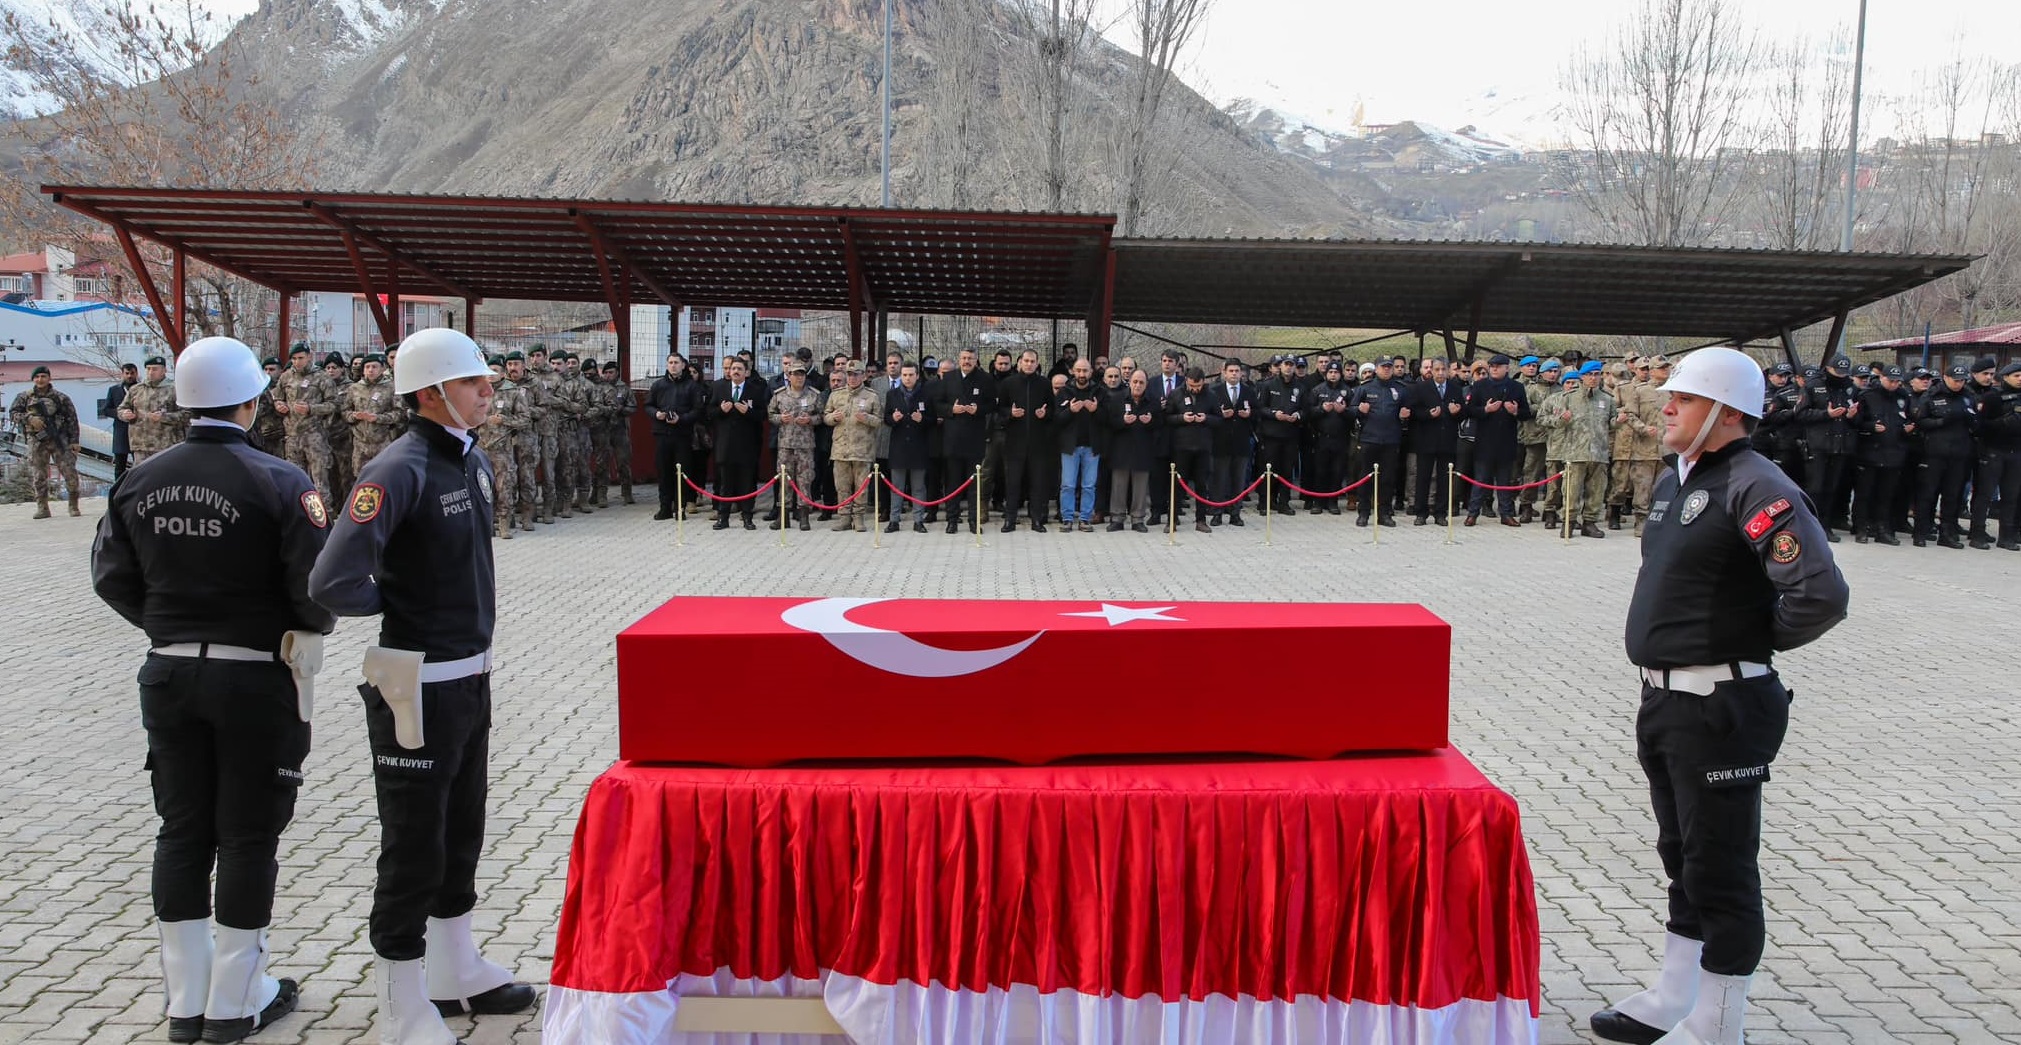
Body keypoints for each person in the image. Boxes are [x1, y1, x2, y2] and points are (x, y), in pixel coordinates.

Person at [1593, 347, 1848, 1045]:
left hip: (1720, 705)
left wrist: (1749, 641)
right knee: (1681, 851)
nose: (1665, 405)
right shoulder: (1682, 478)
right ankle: (1675, 992)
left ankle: (1716, 1024)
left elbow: (1819, 594)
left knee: (1721, 864)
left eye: (1682, 397)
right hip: (1667, 703)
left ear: (1726, 412)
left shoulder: (1757, 484)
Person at [91, 336, 333, 1043]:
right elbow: (314, 591)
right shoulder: (281, 479)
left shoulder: (139, 477)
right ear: (252, 400)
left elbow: (111, 575)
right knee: (249, 832)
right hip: (255, 675)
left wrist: (167, 625)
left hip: (167, 672)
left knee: (182, 829)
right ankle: (235, 998)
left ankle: (185, 999)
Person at [307, 327, 536, 1044]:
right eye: (473, 383)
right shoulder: (397, 468)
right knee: (413, 844)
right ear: (432, 392)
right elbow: (332, 579)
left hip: (469, 677)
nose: (487, 391)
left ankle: (454, 966)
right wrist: (400, 603)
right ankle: (402, 1000)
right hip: (417, 687)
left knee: (459, 831)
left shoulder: (468, 460)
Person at [1541, 363, 1617, 538]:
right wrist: (1561, 419)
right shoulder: (1568, 397)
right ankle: (1568, 522)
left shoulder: (1607, 399)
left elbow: (1611, 423)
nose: (1593, 378)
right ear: (1582, 377)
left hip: (1599, 452)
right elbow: (1545, 419)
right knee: (1571, 491)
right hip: (1575, 452)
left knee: (1596, 491)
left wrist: (1618, 421)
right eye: (1589, 374)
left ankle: (1590, 523)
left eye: (1597, 374)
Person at [1910, 364, 1976, 548]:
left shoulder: (1967, 395)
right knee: (1927, 494)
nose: (1959, 383)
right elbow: (1921, 421)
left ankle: (1947, 533)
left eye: (1962, 380)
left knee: (1952, 495)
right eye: (1956, 380)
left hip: (1959, 452)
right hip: (1935, 452)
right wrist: (1941, 421)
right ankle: (1921, 532)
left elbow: (1975, 419)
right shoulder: (1933, 395)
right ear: (1946, 378)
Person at [1464, 354, 1531, 526]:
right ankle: (1473, 513)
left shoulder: (1516, 387)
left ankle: (1506, 514)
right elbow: (1469, 410)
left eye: (1498, 366)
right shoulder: (1479, 386)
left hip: (1506, 441)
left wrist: (1515, 411)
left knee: (1504, 481)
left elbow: (1526, 413)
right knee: (1480, 480)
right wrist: (1485, 410)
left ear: (1507, 368)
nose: (1494, 368)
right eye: (1492, 365)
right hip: (1485, 441)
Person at [10, 364, 82, 518]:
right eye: (37, 377)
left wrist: (74, 441)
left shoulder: (61, 398)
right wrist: (29, 419)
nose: (40, 379)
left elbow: (72, 420)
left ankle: (73, 505)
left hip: (59, 440)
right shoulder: (25, 397)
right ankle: (42, 507)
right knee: (39, 475)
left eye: (43, 376)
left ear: (49, 378)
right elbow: (14, 413)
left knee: (69, 472)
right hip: (36, 441)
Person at [935, 347, 994, 534]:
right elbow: (937, 403)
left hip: (975, 440)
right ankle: (952, 520)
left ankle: (974, 521)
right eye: (964, 358)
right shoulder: (949, 378)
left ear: (976, 360)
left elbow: (992, 404)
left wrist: (978, 410)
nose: (967, 361)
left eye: (970, 358)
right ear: (959, 359)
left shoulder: (985, 379)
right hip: (952, 440)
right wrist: (951, 410)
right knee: (952, 483)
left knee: (974, 484)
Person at [706, 355, 768, 530]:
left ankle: (747, 517)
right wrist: (720, 410)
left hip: (747, 445)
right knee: (725, 483)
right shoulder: (718, 387)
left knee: (747, 483)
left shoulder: (755, 389)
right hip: (725, 445)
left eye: (739, 369)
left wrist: (748, 412)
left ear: (746, 372)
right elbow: (708, 412)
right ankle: (723, 518)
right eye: (733, 369)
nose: (735, 372)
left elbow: (763, 415)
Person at [1852, 365, 1911, 545]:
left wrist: (1907, 428)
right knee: (1864, 493)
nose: (1894, 384)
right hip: (1870, 452)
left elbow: (1907, 417)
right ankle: (1861, 527)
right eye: (1890, 380)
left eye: (1897, 381)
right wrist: (1870, 427)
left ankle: (1883, 529)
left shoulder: (1903, 397)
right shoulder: (1867, 396)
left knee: (1886, 495)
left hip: (1893, 452)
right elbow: (1856, 422)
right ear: (1882, 378)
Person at [995, 349, 1052, 532]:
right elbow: (999, 410)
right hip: (1014, 442)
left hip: (1038, 443)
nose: (1029, 364)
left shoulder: (1044, 384)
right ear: (1019, 363)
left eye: (1032, 361)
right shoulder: (1008, 383)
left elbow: (1052, 410)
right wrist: (1010, 414)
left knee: (1037, 483)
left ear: (1037, 363)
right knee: (1013, 483)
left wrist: (1045, 414)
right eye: (1026, 361)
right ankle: (1010, 520)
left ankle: (1036, 520)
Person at [271, 346, 334, 505]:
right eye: (294, 359)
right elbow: (277, 398)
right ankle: (298, 514)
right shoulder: (286, 377)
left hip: (314, 435)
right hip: (292, 435)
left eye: (300, 358)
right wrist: (280, 405)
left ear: (308, 357)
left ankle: (325, 516)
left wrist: (311, 409)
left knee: (320, 480)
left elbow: (334, 404)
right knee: (294, 479)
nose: (297, 362)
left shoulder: (322, 377)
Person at [475, 355, 530, 539]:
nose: (491, 375)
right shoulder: (478, 392)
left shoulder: (513, 392)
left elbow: (525, 420)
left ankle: (504, 522)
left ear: (502, 373)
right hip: (481, 447)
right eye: (488, 371)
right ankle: (487, 523)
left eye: (495, 371)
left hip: (502, 450)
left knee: (504, 487)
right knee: (483, 486)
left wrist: (504, 420)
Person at [646, 352, 705, 521]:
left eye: (676, 362)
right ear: (667, 365)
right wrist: (656, 414)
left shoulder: (692, 386)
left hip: (682, 435)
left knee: (682, 472)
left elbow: (698, 410)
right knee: (663, 472)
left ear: (683, 365)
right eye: (670, 362)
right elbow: (648, 405)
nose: (673, 365)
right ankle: (664, 507)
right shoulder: (658, 385)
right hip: (662, 434)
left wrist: (682, 419)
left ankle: (680, 508)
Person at [825, 360, 883, 532]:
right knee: (842, 486)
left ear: (863, 376)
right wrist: (832, 418)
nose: (852, 378)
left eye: (856, 374)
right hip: (841, 449)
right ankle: (844, 517)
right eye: (849, 375)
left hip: (862, 450)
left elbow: (879, 421)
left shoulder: (871, 396)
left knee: (861, 487)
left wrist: (867, 419)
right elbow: (826, 416)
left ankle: (858, 518)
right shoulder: (836, 395)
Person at [767, 359, 825, 531]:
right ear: (789, 375)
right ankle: (782, 516)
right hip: (785, 445)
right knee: (784, 480)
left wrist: (810, 420)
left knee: (805, 480)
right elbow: (770, 414)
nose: (800, 377)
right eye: (796, 374)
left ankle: (803, 515)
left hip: (805, 446)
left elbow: (822, 416)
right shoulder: (779, 394)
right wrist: (780, 419)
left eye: (802, 374)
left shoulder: (814, 394)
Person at [1347, 357, 1406, 526]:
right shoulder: (1365, 387)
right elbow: (1350, 411)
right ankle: (1363, 512)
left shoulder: (1400, 389)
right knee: (1366, 477)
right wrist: (1358, 409)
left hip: (1390, 440)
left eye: (1389, 367)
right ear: (1376, 369)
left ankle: (1384, 513)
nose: (1386, 370)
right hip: (1369, 438)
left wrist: (1404, 417)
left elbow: (1407, 411)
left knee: (1387, 479)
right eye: (1383, 367)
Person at [1409, 357, 1467, 525]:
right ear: (1431, 371)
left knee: (1444, 478)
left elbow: (1463, 413)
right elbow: (1413, 411)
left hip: (1447, 440)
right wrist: (1428, 414)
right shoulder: (1421, 388)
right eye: (1437, 369)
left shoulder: (1455, 389)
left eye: (1443, 369)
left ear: (1449, 371)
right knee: (1423, 477)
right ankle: (1421, 512)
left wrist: (1457, 412)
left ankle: (1441, 513)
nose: (1440, 373)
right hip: (1426, 439)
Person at [1970, 361, 2021, 550]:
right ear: (2005, 377)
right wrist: (2003, 423)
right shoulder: (1993, 397)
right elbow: (1979, 427)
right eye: (2016, 376)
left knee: (2011, 496)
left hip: (2016, 453)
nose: (2020, 379)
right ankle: (1977, 533)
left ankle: (2007, 536)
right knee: (1985, 495)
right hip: (1993, 451)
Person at [1102, 369, 1159, 531]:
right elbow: (1109, 423)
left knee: (1140, 487)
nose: (1138, 385)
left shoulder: (1152, 401)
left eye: (1141, 382)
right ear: (1130, 382)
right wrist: (1122, 421)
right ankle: (1117, 518)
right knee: (1118, 486)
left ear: (1146, 384)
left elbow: (1161, 423)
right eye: (1135, 382)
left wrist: (1151, 421)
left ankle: (1138, 519)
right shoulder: (1118, 399)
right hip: (1121, 449)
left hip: (1143, 449)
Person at [1055, 358, 1104, 531]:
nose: (1082, 374)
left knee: (1089, 485)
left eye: (1085, 371)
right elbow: (1056, 419)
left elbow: (1108, 420)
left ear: (1091, 372)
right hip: (1070, 447)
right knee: (1067, 484)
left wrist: (1095, 410)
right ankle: (1067, 518)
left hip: (1092, 446)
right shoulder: (1064, 392)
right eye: (1079, 370)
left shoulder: (1099, 391)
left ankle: (1085, 519)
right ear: (1072, 372)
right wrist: (1070, 411)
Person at [1205, 359, 1255, 526]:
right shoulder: (1214, 391)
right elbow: (1208, 415)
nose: (1234, 374)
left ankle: (1235, 513)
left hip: (1241, 443)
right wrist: (1221, 415)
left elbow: (1257, 412)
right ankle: (1217, 512)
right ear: (1224, 372)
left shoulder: (1249, 391)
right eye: (1231, 371)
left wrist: (1249, 415)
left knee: (1238, 480)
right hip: (1221, 442)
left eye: (1237, 371)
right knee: (1219, 480)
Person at [523, 346, 567, 522]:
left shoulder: (555, 378)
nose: (535, 359)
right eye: (532, 356)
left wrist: (545, 398)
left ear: (545, 357)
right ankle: (530, 508)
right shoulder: (526, 378)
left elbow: (564, 401)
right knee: (528, 471)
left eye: (538, 355)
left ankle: (549, 507)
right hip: (528, 431)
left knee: (549, 471)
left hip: (549, 430)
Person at [347, 354, 408, 478]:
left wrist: (377, 418)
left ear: (382, 368)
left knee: (384, 477)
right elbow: (344, 410)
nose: (370, 370)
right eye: (367, 367)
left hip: (383, 440)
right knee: (361, 478)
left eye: (374, 367)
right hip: (360, 443)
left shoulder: (391, 387)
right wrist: (353, 416)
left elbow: (399, 413)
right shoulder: (354, 388)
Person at [122, 355, 189, 467]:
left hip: (167, 444)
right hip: (141, 445)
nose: (151, 372)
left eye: (155, 369)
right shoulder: (136, 389)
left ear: (164, 370)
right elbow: (122, 408)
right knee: (142, 479)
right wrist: (125, 414)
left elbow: (188, 414)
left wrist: (164, 417)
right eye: (148, 369)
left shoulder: (175, 389)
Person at [598, 361, 636, 506]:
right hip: (603, 430)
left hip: (620, 430)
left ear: (617, 373)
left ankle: (627, 493)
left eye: (611, 372)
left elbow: (633, 407)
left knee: (623, 462)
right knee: (602, 463)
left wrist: (621, 409)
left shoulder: (624, 389)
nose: (608, 375)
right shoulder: (599, 388)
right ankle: (601, 495)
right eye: (606, 373)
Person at [106, 361, 139, 478]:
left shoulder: (142, 389)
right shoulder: (113, 390)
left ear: (137, 374)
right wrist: (121, 414)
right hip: (121, 432)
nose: (130, 376)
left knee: (140, 465)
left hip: (139, 432)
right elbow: (106, 409)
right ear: (122, 374)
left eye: (132, 373)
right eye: (127, 373)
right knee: (120, 466)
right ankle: (118, 493)